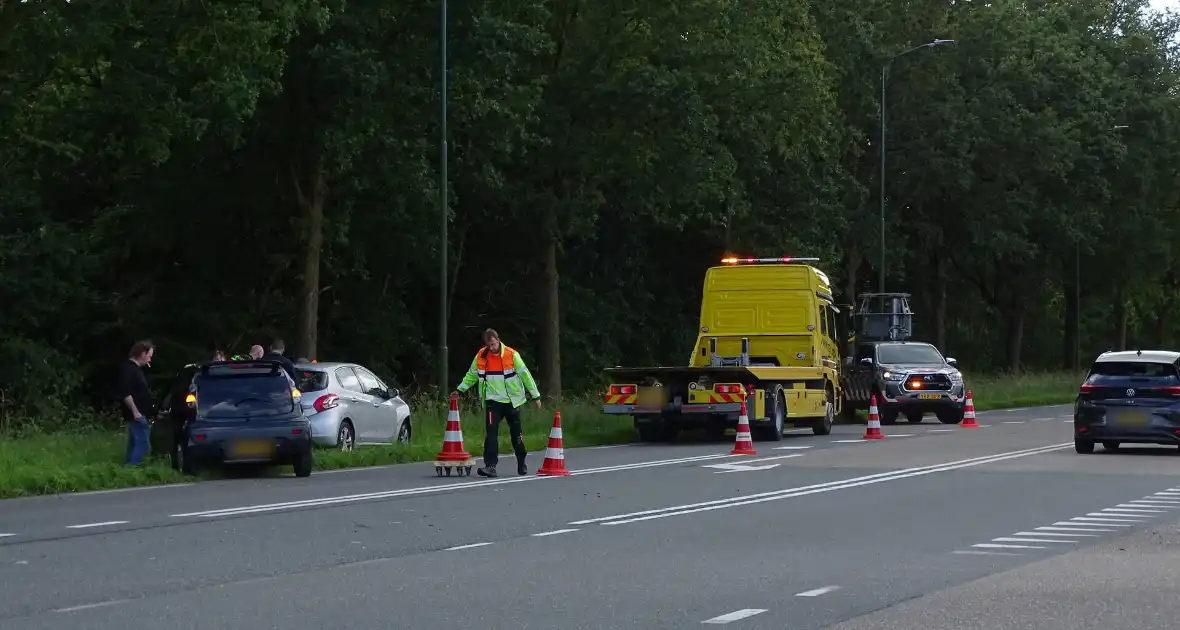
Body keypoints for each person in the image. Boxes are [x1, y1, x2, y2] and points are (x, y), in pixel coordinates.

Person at [452, 328, 542, 478]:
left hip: (512, 401)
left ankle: (521, 461)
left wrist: (536, 396)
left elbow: (525, 375)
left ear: (498, 340)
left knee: (516, 434)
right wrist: (460, 390)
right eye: (489, 345)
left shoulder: (512, 355)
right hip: (492, 402)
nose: (492, 348)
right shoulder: (481, 356)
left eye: (494, 344)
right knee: (491, 433)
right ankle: (490, 466)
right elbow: (471, 375)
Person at [117, 340, 157, 465]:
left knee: (134, 442)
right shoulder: (129, 369)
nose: (150, 360)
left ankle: (127, 468)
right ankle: (131, 467)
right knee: (143, 443)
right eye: (149, 356)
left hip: (141, 412)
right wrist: (135, 411)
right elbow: (126, 392)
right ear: (142, 353)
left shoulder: (136, 370)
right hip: (136, 413)